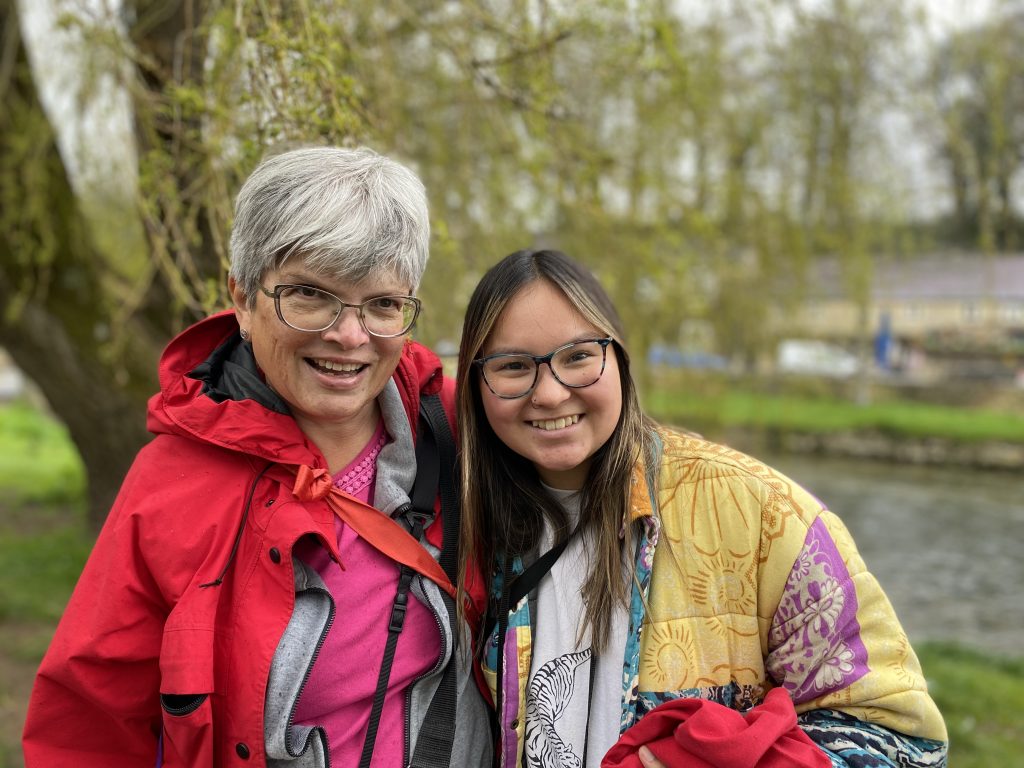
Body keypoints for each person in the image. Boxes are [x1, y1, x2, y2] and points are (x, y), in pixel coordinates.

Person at [23, 146, 491, 767]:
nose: (349, 336)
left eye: (381, 304)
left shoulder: (467, 430)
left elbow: (622, 484)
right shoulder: (168, 487)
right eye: (310, 295)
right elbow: (88, 723)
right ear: (242, 299)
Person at [455, 249, 947, 768]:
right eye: (512, 367)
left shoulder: (765, 517)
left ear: (618, 357)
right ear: (474, 382)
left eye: (578, 356)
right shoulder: (465, 522)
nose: (551, 393)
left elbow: (905, 742)